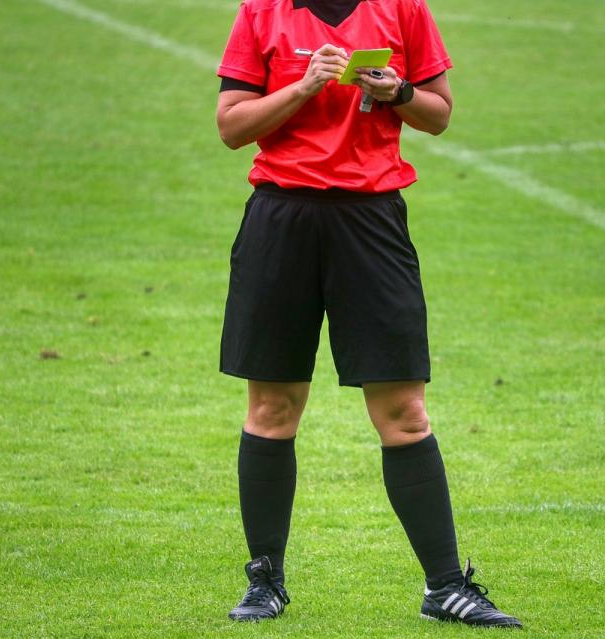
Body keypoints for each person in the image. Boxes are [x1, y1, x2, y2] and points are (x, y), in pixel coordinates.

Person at [214, 0, 521, 629]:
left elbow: (437, 114)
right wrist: (306, 85)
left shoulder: (403, 9)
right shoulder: (262, 12)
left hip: (372, 222)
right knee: (272, 408)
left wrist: (397, 91)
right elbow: (232, 126)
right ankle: (265, 582)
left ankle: (445, 587)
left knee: (404, 412)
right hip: (280, 220)